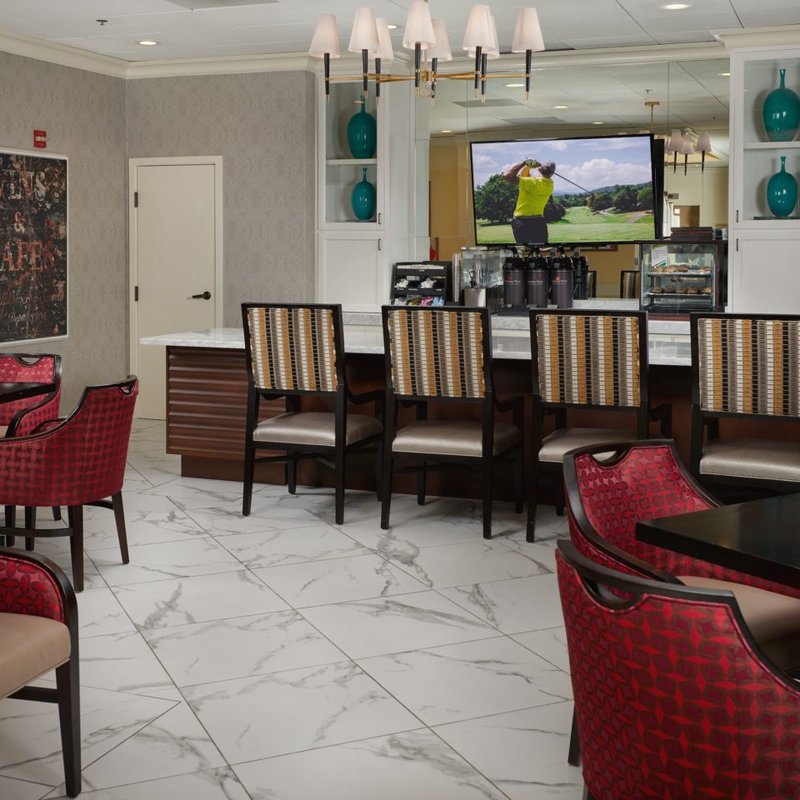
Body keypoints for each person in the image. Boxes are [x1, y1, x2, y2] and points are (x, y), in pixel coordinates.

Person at [502, 159, 556, 244]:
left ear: (539, 169)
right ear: (552, 174)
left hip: (521, 222)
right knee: (541, 250)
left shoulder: (530, 183)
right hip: (539, 222)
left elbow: (506, 176)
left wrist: (524, 163)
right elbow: (526, 177)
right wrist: (528, 167)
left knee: (524, 250)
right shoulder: (550, 185)